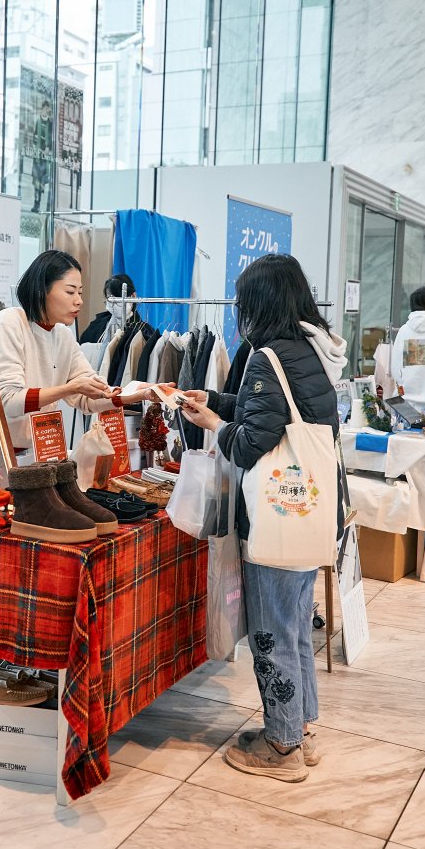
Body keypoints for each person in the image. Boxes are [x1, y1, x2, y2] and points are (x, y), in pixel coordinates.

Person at [181, 254, 346, 783]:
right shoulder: (313, 349)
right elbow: (277, 412)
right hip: (307, 514)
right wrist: (218, 399)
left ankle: (281, 746)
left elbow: (251, 444)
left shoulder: (266, 356)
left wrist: (213, 421)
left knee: (272, 634)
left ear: (261, 301)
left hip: (276, 518)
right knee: (294, 627)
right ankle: (301, 727)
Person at [0, 250, 151, 449]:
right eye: (70, 292)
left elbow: (88, 399)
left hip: (37, 449)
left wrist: (138, 394)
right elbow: (6, 400)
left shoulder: (63, 334)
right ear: (42, 291)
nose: (79, 301)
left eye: (80, 293)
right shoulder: (9, 323)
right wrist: (70, 388)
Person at [79, 273, 140, 344]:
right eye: (110, 299)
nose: (114, 303)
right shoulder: (96, 326)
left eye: (118, 298)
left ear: (133, 296)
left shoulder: (143, 330)